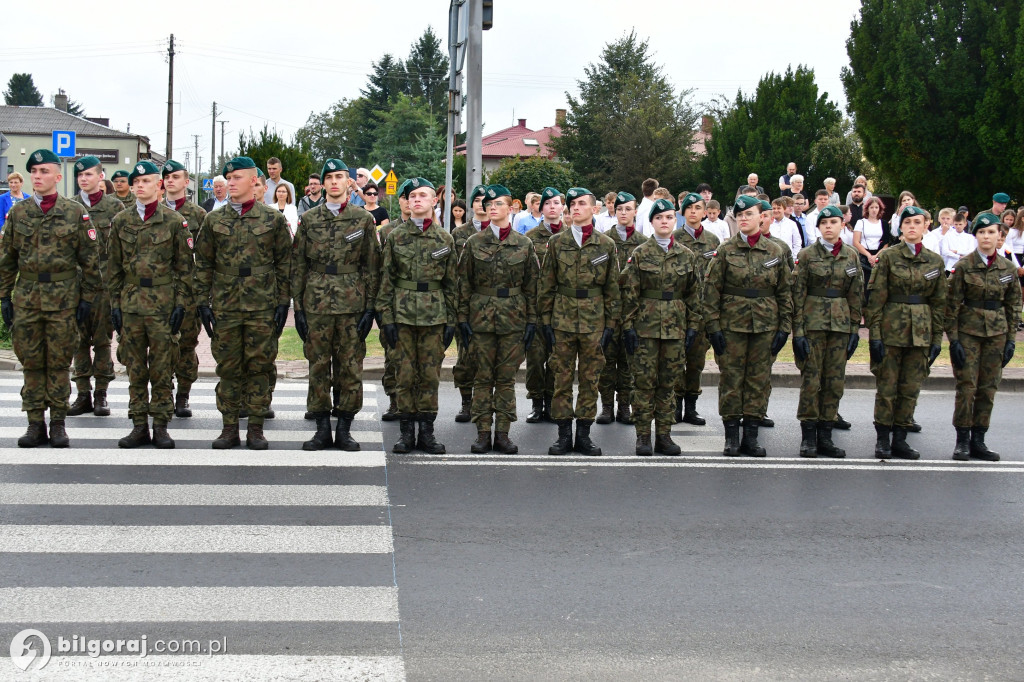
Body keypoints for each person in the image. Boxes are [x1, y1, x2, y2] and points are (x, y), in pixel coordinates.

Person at [0, 149, 102, 448]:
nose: (37, 176)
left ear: (57, 176)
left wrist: (87, 299)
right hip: (28, 298)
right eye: (33, 171)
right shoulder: (18, 213)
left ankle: (58, 423)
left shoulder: (75, 213)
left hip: (63, 299)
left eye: (44, 171)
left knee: (58, 363)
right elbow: (7, 260)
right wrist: (4, 297)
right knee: (31, 363)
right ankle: (35, 424)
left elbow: (89, 260)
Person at [194, 156, 292, 450]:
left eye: (237, 178)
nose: (230, 183)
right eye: (228, 178)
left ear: (254, 181)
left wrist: (282, 302)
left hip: (262, 304)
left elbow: (285, 263)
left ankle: (256, 428)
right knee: (228, 366)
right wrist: (203, 302)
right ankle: (229, 428)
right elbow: (203, 263)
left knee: (260, 366)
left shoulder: (272, 219)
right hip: (225, 304)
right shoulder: (214, 220)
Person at [290, 159, 380, 451]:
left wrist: (370, 308)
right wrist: (299, 309)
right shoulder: (310, 219)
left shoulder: (362, 219)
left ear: (348, 182)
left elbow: (371, 265)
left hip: (352, 303)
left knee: (350, 368)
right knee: (318, 367)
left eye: (339, 177)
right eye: (328, 177)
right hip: (316, 302)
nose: (333, 182)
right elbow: (299, 264)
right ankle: (321, 429)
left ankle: (344, 428)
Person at [106, 161, 193, 448]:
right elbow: (114, 267)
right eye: (136, 182)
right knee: (135, 368)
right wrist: (115, 305)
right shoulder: (121, 221)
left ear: (158, 185)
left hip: (162, 305)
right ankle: (138, 424)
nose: (140, 186)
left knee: (162, 367)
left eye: (146, 181)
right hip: (131, 304)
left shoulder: (174, 222)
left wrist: (181, 304)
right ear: (131, 187)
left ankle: (161, 425)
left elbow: (184, 268)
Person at [704, 195, 793, 457]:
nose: (744, 218)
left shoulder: (775, 251)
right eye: (740, 215)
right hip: (732, 327)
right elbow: (711, 292)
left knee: (758, 381)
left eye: (749, 214)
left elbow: (785, 292)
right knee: (731, 380)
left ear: (761, 217)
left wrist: (784, 327)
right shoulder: (725, 250)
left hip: (765, 327)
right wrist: (713, 328)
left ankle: (751, 437)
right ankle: (731, 436)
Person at [538, 187, 620, 456]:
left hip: (594, 320)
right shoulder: (557, 243)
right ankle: (563, 435)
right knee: (560, 377)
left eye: (581, 203)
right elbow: (546, 285)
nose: (575, 207)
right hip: (562, 319)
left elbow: (612, 288)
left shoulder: (606, 245)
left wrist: (610, 324)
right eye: (571, 203)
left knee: (590, 379)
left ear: (594, 209)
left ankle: (583, 434)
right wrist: (545, 322)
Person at [457, 184, 539, 454]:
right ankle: (482, 433)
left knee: (505, 379)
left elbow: (532, 286)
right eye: (488, 204)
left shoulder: (524, 244)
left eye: (498, 204)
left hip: (513, 319)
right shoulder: (473, 242)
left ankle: (502, 433)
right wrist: (463, 318)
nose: (492, 208)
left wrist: (531, 321)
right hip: (480, 318)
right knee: (482, 377)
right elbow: (464, 283)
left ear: (511, 209)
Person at [378, 178, 458, 454]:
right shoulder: (395, 236)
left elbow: (451, 284)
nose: (416, 200)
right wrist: (385, 319)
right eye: (412, 196)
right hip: (402, 314)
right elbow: (386, 280)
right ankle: (405, 433)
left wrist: (452, 321)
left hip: (434, 317)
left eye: (423, 195)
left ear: (434, 201)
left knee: (429, 376)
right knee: (404, 374)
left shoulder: (444, 239)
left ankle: (426, 432)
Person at [620, 198, 701, 456]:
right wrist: (628, 327)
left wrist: (692, 327)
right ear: (652, 222)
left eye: (668, 217)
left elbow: (694, 295)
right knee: (643, 383)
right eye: (659, 218)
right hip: (645, 327)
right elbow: (630, 294)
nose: (664, 222)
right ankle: (643, 436)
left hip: (675, 328)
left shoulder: (687, 256)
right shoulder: (640, 253)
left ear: (674, 221)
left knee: (668, 384)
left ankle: (664, 435)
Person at [866, 205, 946, 459]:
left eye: (917, 222)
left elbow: (939, 303)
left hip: (920, 333)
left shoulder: (935, 261)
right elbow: (876, 299)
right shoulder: (888, 257)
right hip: (891, 331)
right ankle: (882, 439)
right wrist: (875, 336)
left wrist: (936, 339)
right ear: (900, 227)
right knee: (887, 387)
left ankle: (900, 438)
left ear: (925, 226)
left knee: (910, 388)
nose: (912, 226)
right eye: (907, 222)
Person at [945, 212, 1020, 460]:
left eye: (991, 232)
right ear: (975, 235)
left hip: (997, 334)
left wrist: (1011, 340)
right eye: (981, 232)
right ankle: (962, 440)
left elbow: (1013, 306)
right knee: (967, 386)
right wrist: (954, 339)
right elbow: (952, 305)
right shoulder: (963, 266)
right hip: (969, 333)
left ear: (1000, 235)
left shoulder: (1008, 268)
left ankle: (979, 439)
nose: (986, 236)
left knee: (988, 388)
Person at [791, 206, 863, 458]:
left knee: (834, 382)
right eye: (825, 223)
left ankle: (826, 435)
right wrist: (798, 332)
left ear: (842, 225)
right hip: (813, 325)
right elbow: (797, 294)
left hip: (840, 327)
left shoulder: (851, 256)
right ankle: (808, 437)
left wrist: (855, 329)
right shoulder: (807, 255)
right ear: (819, 227)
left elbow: (856, 294)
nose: (829, 226)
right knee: (812, 381)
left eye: (834, 222)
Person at [67, 156, 123, 418]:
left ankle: (101, 393)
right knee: (78, 340)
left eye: (88, 174)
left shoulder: (115, 207)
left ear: (101, 177)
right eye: (80, 175)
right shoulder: (70, 207)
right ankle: (82, 393)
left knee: (102, 340)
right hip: (76, 285)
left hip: (104, 285)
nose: (83, 179)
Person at [159, 160, 208, 419]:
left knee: (187, 345)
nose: (170, 180)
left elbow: (205, 257)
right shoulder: (154, 212)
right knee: (162, 345)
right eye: (166, 176)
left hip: (188, 291)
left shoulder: (198, 215)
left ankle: (183, 395)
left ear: (186, 182)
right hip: (160, 292)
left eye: (176, 176)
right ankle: (164, 393)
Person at [596, 191, 645, 426]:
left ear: (635, 211)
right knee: (606, 360)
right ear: (614, 210)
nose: (623, 213)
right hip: (607, 311)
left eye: (628, 209)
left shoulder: (644, 244)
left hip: (633, 312)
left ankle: (624, 405)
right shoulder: (605, 241)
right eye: (620, 208)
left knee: (628, 361)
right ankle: (606, 406)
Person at [671, 193, 720, 425]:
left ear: (704, 211)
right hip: (679, 312)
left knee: (696, 362)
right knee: (675, 360)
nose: (692, 211)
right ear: (682, 211)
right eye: (688, 207)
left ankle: (690, 407)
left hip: (702, 313)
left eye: (697, 207)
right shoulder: (673, 239)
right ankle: (675, 406)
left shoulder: (713, 242)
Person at [449, 185, 489, 422]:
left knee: (488, 358)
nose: (482, 204)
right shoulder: (459, 234)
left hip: (493, 305)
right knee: (465, 356)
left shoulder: (500, 232)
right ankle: (466, 403)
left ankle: (484, 404)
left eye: (486, 200)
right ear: (471, 206)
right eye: (477, 200)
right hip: (466, 303)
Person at [524, 187, 563, 423]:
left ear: (562, 207)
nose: (551, 207)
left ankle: (553, 402)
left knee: (558, 359)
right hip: (538, 308)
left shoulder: (571, 237)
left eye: (556, 203)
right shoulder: (529, 237)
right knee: (536, 360)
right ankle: (537, 403)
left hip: (562, 309)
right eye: (547, 203)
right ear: (540, 208)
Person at [378, 180, 412, 421]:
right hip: (393, 302)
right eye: (405, 196)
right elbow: (381, 271)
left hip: (422, 305)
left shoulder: (437, 231)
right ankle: (394, 401)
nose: (410, 200)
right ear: (399, 200)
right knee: (392, 355)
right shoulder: (386, 232)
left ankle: (412, 405)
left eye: (415, 196)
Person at [853, 196, 892, 304]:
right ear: (867, 209)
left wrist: (876, 256)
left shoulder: (883, 223)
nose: (874, 210)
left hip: (879, 255)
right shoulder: (861, 222)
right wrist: (868, 255)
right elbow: (856, 242)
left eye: (876, 207)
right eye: (872, 207)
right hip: (864, 256)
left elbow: (886, 243)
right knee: (864, 286)